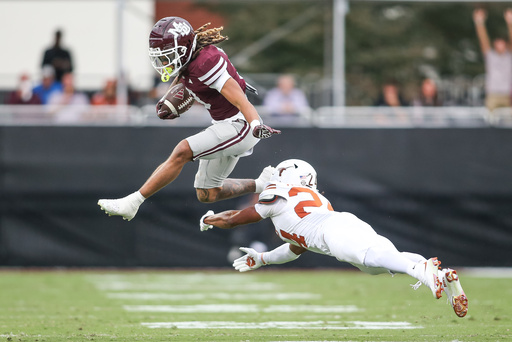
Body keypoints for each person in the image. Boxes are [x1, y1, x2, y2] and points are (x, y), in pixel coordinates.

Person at [199, 159, 469, 318]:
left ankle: (422, 271)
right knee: (375, 266)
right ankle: (438, 274)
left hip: (335, 231)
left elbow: (235, 217)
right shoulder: (309, 203)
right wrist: (262, 258)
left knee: (372, 258)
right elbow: (295, 249)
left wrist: (210, 218)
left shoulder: (278, 196)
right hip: (342, 225)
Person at [98, 17, 281, 221]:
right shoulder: (190, 60)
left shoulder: (207, 62)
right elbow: (184, 76)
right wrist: (168, 96)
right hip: (224, 124)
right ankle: (261, 183)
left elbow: (241, 101)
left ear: (184, 49)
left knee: (182, 151)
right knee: (207, 193)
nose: (165, 63)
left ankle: (133, 202)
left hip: (241, 125)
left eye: (168, 56)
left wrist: (256, 125)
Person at [473, 8, 512, 116]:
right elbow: (483, 40)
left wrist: (510, 23)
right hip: (493, 94)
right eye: (497, 44)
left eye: (502, 44)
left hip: (507, 94)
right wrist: (479, 22)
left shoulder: (509, 56)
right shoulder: (491, 56)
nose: (500, 46)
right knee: (490, 120)